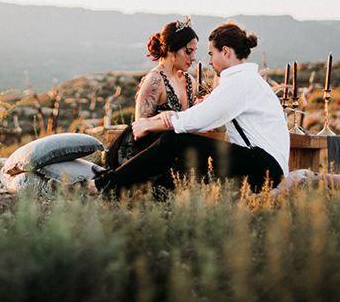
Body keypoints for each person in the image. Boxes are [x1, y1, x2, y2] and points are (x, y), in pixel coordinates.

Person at [92, 22, 288, 196]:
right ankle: (157, 199)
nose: (208, 61)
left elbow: (196, 120)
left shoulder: (240, 82)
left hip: (263, 166)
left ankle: (102, 186)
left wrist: (150, 124)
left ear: (226, 52)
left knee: (174, 141)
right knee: (188, 158)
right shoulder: (245, 80)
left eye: (212, 53)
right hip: (262, 163)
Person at [103, 18, 199, 170]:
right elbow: (139, 131)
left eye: (194, 51)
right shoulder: (154, 81)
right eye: (188, 51)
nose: (193, 58)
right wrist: (162, 119)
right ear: (171, 49)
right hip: (148, 159)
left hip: (180, 155)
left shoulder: (190, 81)